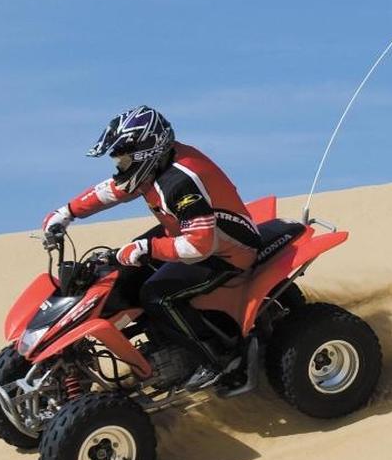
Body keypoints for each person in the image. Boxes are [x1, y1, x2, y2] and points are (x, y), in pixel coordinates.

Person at [41, 105, 261, 391]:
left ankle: (219, 361)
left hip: (228, 250)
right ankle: (161, 342)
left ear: (146, 153)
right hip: (185, 231)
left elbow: (199, 246)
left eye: (124, 158)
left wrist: (147, 248)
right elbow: (111, 191)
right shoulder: (154, 166)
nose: (120, 165)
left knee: (157, 295)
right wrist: (66, 212)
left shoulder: (180, 182)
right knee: (119, 272)